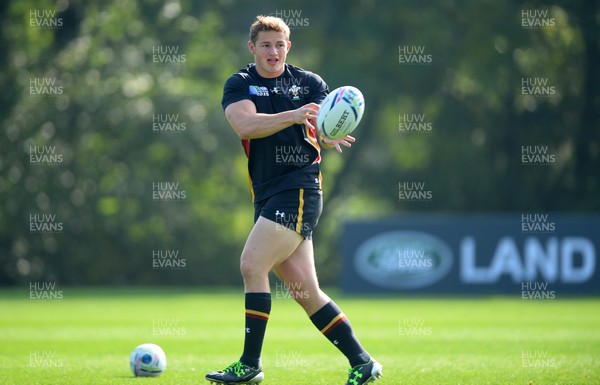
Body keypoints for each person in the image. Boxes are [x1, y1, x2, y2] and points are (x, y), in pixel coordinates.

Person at [205, 15, 382, 385]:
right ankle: (363, 362)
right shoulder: (240, 83)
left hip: (299, 189)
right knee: (305, 291)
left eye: (279, 44)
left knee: (252, 265)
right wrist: (295, 115)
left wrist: (328, 131)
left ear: (289, 47)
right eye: (266, 45)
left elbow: (322, 125)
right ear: (251, 47)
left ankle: (250, 364)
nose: (273, 51)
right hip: (267, 193)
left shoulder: (309, 83)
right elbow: (245, 126)